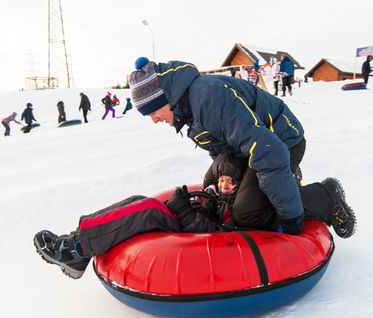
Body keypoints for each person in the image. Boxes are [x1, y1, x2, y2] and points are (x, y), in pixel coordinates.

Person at [34, 152, 356, 279]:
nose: (225, 185)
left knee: (147, 210)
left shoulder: (246, 207)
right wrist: (193, 201)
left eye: (232, 182)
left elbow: (221, 236)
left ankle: (76, 249)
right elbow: (212, 206)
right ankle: (78, 238)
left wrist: (183, 211)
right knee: (139, 201)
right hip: (184, 222)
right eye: (221, 181)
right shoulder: (219, 192)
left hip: (191, 232)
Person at [128, 56, 309, 235]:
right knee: (213, 183)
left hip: (281, 140)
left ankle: (324, 196)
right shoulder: (187, 111)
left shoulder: (209, 98)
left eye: (152, 111)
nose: (154, 120)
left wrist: (292, 220)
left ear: (164, 98)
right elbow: (221, 150)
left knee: (247, 213)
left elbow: (268, 150)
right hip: (250, 150)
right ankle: (275, 184)